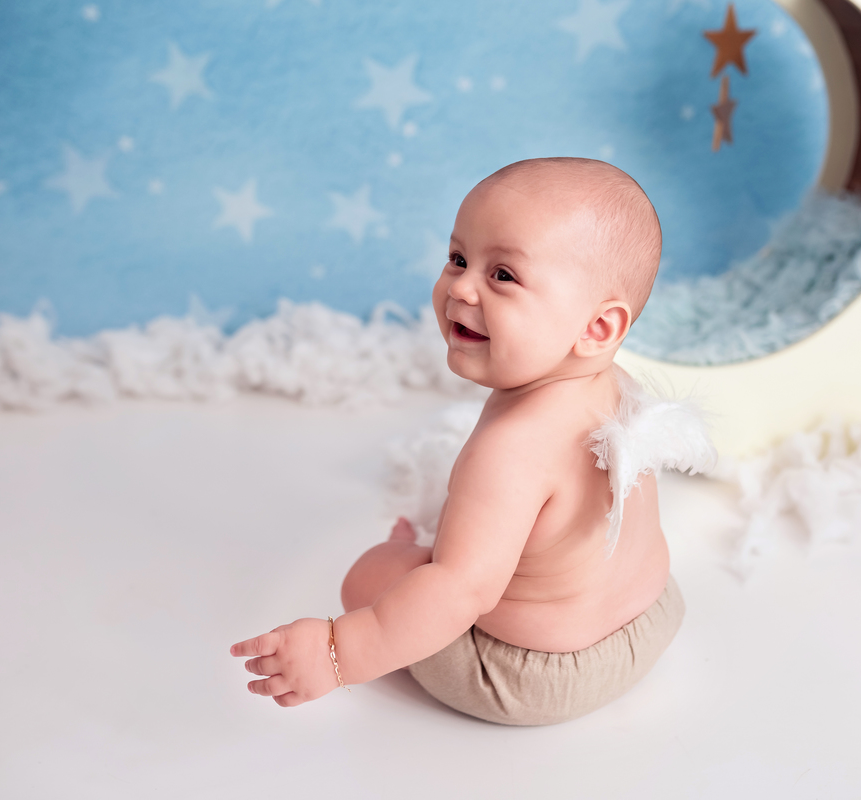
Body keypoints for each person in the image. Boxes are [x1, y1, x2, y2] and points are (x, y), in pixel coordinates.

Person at [230, 157, 710, 725]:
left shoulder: (511, 449)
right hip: (652, 617)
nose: (460, 286)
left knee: (369, 574)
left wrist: (337, 653)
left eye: (502, 275)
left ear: (595, 327)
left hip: (530, 678)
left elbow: (459, 593)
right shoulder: (618, 386)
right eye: (458, 258)